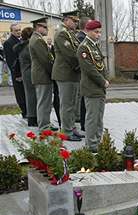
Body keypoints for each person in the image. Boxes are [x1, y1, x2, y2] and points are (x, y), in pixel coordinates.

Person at [77, 20, 109, 152]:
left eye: (100, 32)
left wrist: (104, 79)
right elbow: (89, 69)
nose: (99, 35)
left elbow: (101, 65)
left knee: (99, 118)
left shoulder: (94, 46)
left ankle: (97, 142)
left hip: (99, 88)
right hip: (92, 87)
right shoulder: (84, 48)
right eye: (96, 32)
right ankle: (91, 145)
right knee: (92, 118)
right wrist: (103, 81)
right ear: (88, 31)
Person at [52, 10, 83, 141]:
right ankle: (66, 131)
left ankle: (71, 128)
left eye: (77, 21)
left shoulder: (71, 34)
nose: (76, 23)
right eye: (74, 20)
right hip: (66, 73)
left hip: (72, 73)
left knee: (72, 103)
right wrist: (80, 65)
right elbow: (70, 54)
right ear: (66, 20)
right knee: (67, 104)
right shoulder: (61, 34)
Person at [29, 17, 56, 131]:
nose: (47, 30)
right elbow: (45, 60)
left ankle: (46, 123)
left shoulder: (36, 39)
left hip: (41, 75)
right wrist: (53, 73)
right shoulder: (37, 40)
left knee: (45, 101)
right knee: (44, 102)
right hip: (42, 75)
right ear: (38, 27)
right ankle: (44, 126)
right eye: (45, 27)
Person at [14, 27, 37, 127]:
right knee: (32, 96)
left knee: (30, 96)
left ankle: (32, 117)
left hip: (26, 72)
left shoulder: (22, 46)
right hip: (30, 72)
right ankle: (32, 118)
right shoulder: (28, 47)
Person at [4, 23, 26, 118]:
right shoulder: (8, 43)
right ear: (11, 31)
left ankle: (28, 111)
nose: (18, 32)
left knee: (26, 93)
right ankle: (24, 112)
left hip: (25, 71)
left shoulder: (22, 40)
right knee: (20, 94)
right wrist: (17, 74)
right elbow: (10, 61)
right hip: (17, 73)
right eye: (16, 30)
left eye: (19, 30)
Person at [76, 16, 90, 132]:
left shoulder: (83, 37)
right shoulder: (81, 38)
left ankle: (85, 122)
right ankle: (84, 124)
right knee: (84, 99)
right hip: (84, 73)